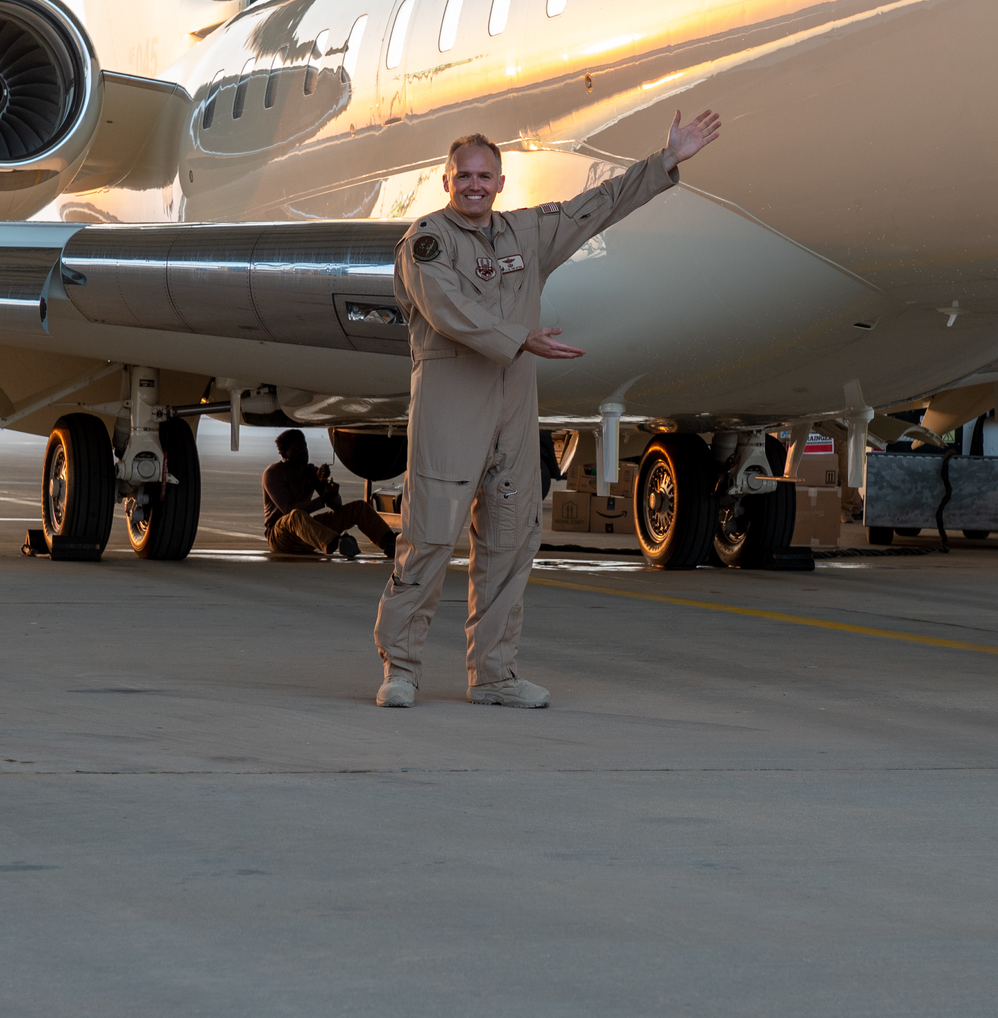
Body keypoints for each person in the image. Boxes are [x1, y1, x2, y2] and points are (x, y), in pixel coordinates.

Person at [373, 109, 723, 709]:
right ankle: (401, 670)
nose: (475, 185)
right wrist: (522, 336)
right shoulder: (427, 241)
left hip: (513, 409)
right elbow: (446, 308)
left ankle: (495, 675)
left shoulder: (524, 234)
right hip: (450, 410)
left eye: (485, 175)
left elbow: (596, 206)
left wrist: (663, 162)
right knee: (429, 539)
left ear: (501, 182)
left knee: (511, 543)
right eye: (464, 176)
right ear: (447, 181)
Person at [263, 429, 397, 560]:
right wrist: (322, 500)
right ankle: (338, 543)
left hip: (308, 533)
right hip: (280, 536)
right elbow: (288, 510)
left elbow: (336, 506)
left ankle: (389, 541)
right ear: (283, 453)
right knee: (295, 515)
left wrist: (330, 491)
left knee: (359, 507)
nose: (303, 451)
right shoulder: (273, 474)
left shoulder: (311, 471)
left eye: (304, 446)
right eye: (296, 449)